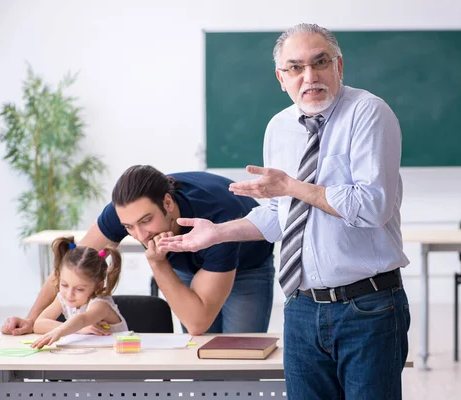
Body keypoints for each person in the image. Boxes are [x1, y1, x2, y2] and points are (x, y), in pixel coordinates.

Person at [158, 23, 411, 399]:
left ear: (339, 66)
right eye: (295, 67)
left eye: (320, 62)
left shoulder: (368, 113)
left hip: (367, 307)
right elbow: (282, 214)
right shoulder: (279, 128)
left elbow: (372, 206)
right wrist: (219, 232)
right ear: (281, 78)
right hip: (301, 307)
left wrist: (293, 186)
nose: (309, 76)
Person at [2, 166, 275, 336]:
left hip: (246, 265)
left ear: (167, 202)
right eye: (129, 227)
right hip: (186, 260)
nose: (141, 235)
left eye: (146, 221)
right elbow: (71, 264)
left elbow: (197, 321)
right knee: (199, 353)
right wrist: (31, 318)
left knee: (240, 355)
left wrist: (157, 264)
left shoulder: (218, 218)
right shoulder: (122, 212)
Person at [30, 236, 127, 349]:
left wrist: (62, 331)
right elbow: (38, 324)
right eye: (64, 285)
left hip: (117, 359)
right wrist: (79, 330)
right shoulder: (63, 297)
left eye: (80, 289)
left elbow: (82, 319)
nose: (69, 294)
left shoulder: (101, 304)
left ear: (98, 286)